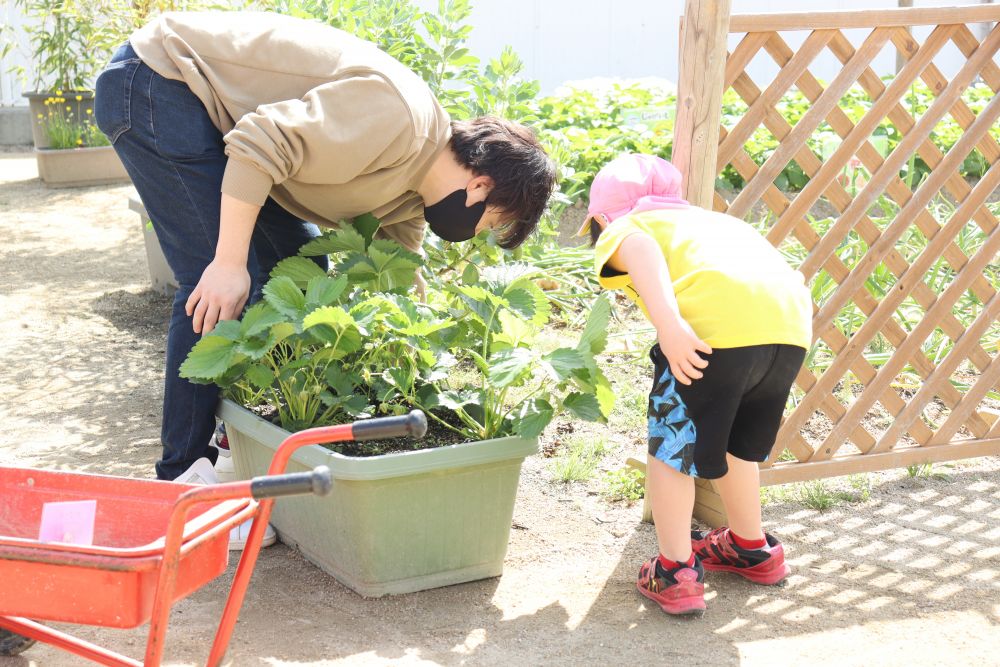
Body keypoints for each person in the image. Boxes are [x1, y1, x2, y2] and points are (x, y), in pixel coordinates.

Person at [94, 11, 556, 505]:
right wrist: (227, 263)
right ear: (480, 185)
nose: (478, 233)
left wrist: (407, 305)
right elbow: (258, 145)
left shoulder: (420, 177)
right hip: (159, 84)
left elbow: (399, 240)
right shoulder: (396, 120)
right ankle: (182, 481)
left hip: (204, 114)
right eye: (490, 223)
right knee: (221, 281)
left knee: (302, 273)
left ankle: (236, 443)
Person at [579, 153, 812, 615]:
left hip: (713, 338)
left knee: (671, 452)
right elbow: (788, 274)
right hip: (786, 333)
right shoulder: (714, 224)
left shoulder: (628, 228)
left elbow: (640, 251)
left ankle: (675, 571)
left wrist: (668, 324)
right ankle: (751, 547)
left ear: (602, 218)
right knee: (736, 446)